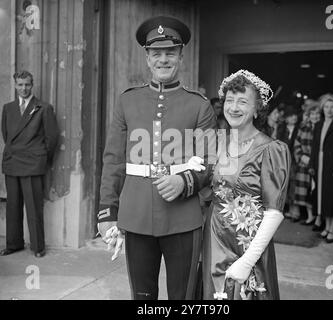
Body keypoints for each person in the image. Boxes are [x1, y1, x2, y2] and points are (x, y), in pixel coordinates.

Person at [96, 16, 216, 300]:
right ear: (147, 58)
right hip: (135, 215)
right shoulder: (127, 101)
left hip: (183, 219)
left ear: (181, 56)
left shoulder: (199, 105)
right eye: (156, 53)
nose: (164, 59)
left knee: (183, 297)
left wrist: (184, 182)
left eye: (170, 53)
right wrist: (106, 212)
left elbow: (211, 161)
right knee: (143, 297)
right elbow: (113, 160)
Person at [202, 70, 290, 300]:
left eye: (243, 101)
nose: (234, 107)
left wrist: (248, 260)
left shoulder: (271, 149)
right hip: (214, 240)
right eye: (229, 100)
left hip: (249, 246)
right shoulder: (218, 142)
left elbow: (274, 212)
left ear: (257, 109)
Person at [0, 70, 59, 257]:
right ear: (15, 85)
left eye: (27, 84)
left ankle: (37, 247)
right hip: (12, 162)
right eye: (20, 84)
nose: (23, 88)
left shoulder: (44, 107)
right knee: (13, 207)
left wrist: (41, 159)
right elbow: (6, 135)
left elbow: (52, 137)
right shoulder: (8, 108)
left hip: (33, 164)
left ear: (32, 85)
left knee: (34, 207)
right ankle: (13, 244)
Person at [309, 94, 333, 243]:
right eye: (326, 107)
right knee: (322, 196)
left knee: (332, 196)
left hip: (331, 163)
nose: (329, 110)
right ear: (322, 108)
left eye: (332, 107)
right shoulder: (319, 124)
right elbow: (314, 147)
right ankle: (326, 225)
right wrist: (312, 164)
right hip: (320, 162)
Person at [293, 102, 321, 225]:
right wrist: (301, 157)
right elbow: (296, 144)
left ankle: (319, 218)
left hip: (318, 164)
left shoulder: (323, 127)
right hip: (305, 163)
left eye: (317, 114)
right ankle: (310, 217)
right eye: (312, 114)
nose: (314, 116)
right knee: (306, 191)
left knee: (316, 191)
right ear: (308, 115)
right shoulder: (303, 127)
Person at [276, 105, 299, 220]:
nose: (294, 117)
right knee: (282, 184)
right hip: (283, 160)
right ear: (286, 118)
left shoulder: (300, 128)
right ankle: (281, 209)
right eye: (291, 116)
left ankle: (294, 211)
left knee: (294, 184)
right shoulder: (281, 129)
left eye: (295, 115)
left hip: (295, 161)